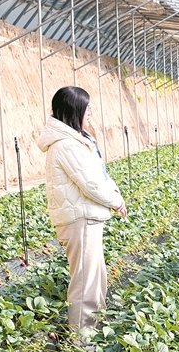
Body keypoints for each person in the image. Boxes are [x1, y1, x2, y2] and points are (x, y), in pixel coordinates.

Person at [37, 86, 127, 336]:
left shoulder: (76, 139)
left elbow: (99, 174)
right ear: (73, 111)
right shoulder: (67, 144)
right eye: (87, 109)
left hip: (85, 217)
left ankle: (94, 331)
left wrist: (115, 193)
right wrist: (115, 201)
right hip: (80, 219)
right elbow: (90, 184)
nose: (90, 113)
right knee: (86, 282)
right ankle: (81, 341)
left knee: (96, 278)